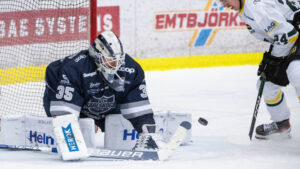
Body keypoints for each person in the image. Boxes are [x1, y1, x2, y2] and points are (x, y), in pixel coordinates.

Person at [43, 30, 161, 150]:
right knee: (79, 133)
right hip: (71, 103)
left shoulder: (132, 69)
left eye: (118, 59)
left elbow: (138, 106)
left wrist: (148, 133)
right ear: (96, 55)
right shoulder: (74, 69)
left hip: (107, 105)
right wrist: (69, 138)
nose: (115, 64)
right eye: (110, 60)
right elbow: (64, 112)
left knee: (123, 119)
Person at [219, 0, 300, 139]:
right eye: (221, 0)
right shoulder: (246, 8)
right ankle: (282, 124)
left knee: (296, 72)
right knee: (267, 85)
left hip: (294, 36)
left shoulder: (256, 8)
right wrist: (272, 61)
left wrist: (274, 59)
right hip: (292, 40)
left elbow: (290, 34)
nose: (224, 4)